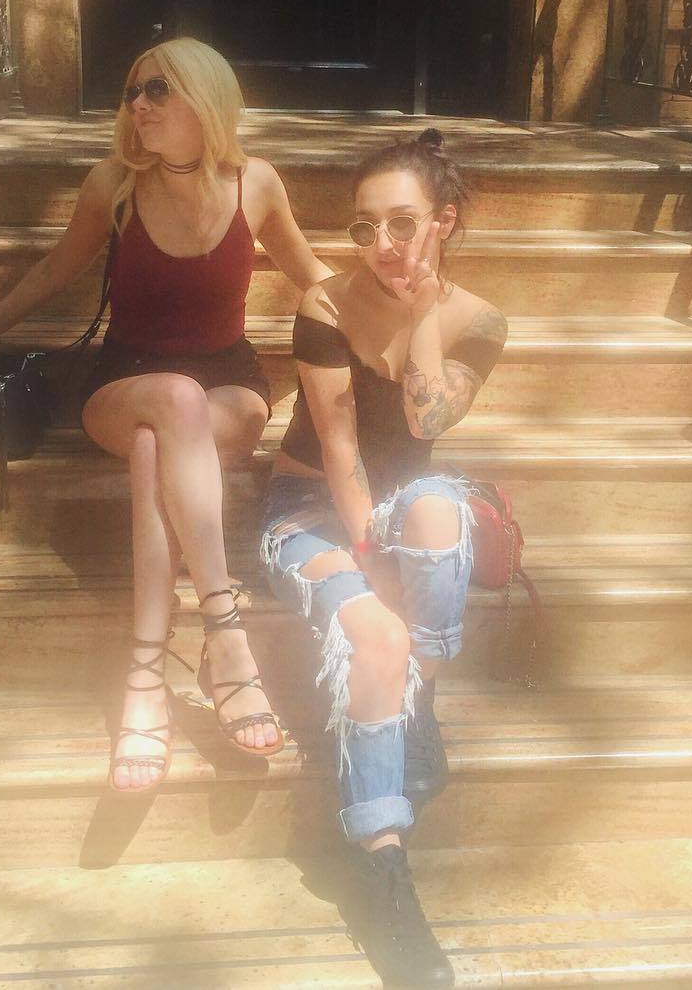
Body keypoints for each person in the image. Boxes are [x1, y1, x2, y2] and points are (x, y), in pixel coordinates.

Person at [0, 37, 331, 792]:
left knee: (164, 440)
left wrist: (395, 324)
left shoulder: (256, 183)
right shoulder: (114, 186)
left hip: (230, 388)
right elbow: (57, 267)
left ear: (206, 97)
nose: (138, 104)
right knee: (172, 401)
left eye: (158, 89)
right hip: (125, 384)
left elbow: (312, 276)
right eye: (133, 91)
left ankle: (144, 679)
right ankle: (225, 634)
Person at [258, 129, 507, 988]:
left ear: (444, 221)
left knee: (438, 504)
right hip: (308, 512)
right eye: (365, 228)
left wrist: (424, 316)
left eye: (402, 223)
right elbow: (338, 447)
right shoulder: (326, 304)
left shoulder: (480, 322)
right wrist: (371, 561)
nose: (381, 245)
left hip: (403, 507)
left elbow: (428, 422)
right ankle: (381, 869)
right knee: (379, 639)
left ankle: (419, 704)